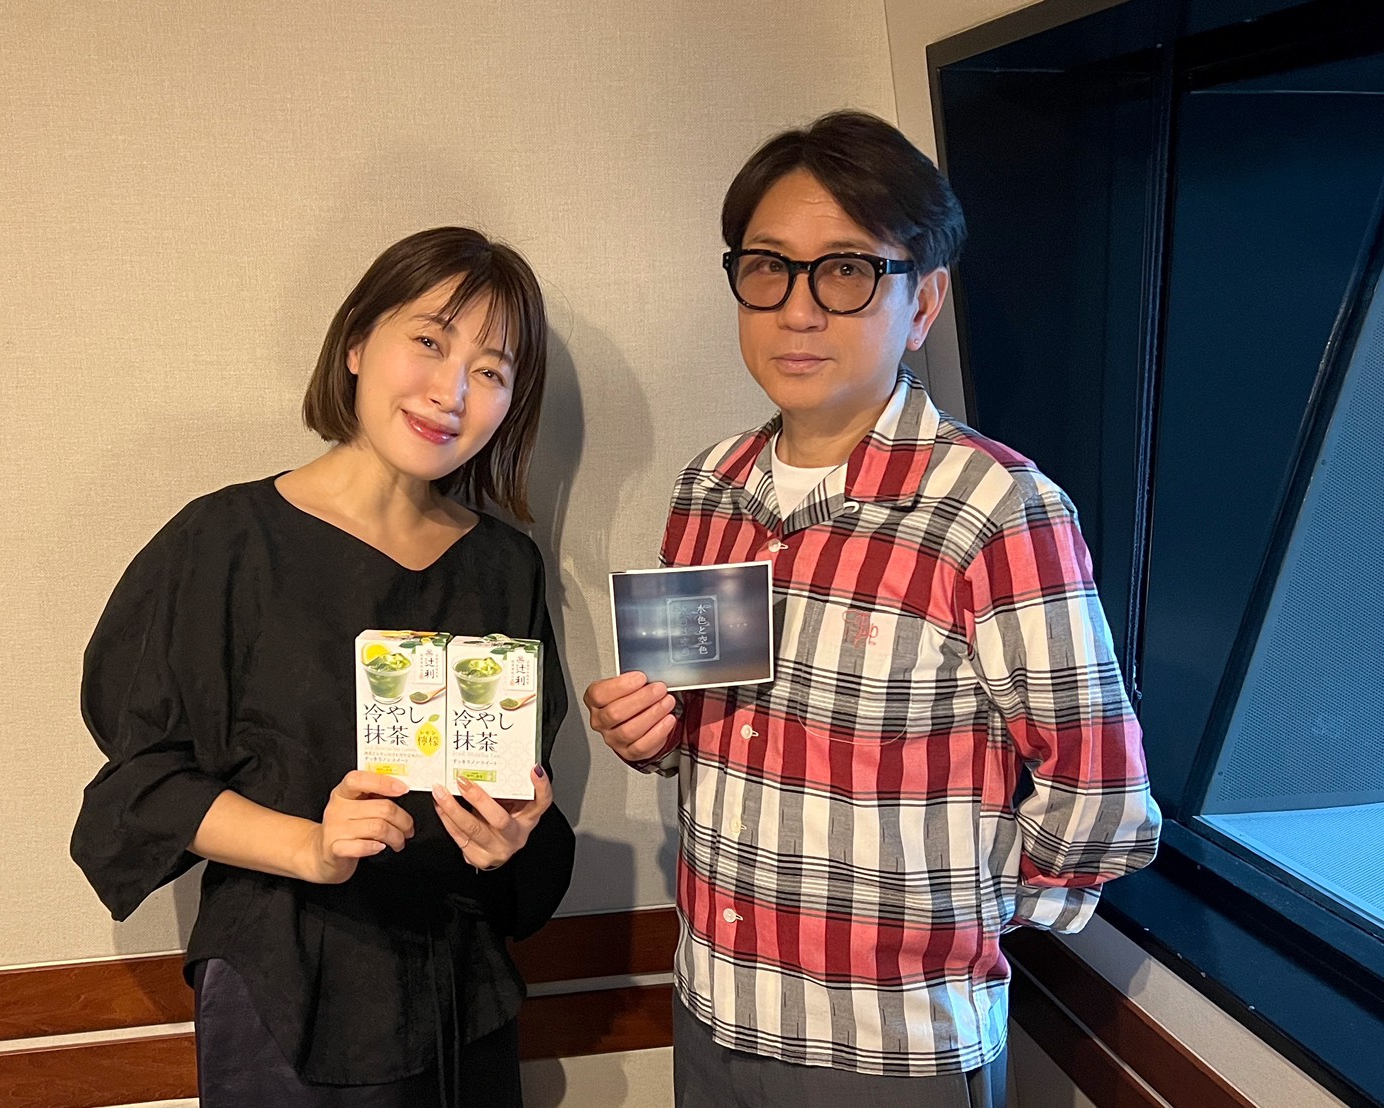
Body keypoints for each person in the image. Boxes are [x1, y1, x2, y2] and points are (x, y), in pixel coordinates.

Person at [585, 110, 1161, 1107]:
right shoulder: (710, 488)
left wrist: (960, 911)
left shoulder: (994, 509)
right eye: (768, 268)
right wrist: (652, 732)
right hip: (710, 1006)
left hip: (890, 1049)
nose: (798, 310)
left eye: (846, 270)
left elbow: (1104, 799)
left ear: (922, 300)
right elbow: (704, 724)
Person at [71, 226, 574, 1108]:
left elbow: (518, 783)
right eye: (429, 341)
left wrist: (508, 842)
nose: (451, 390)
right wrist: (312, 845)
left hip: (460, 993)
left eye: (492, 371)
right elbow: (143, 785)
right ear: (356, 343)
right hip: (284, 983)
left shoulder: (505, 567)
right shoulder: (225, 542)